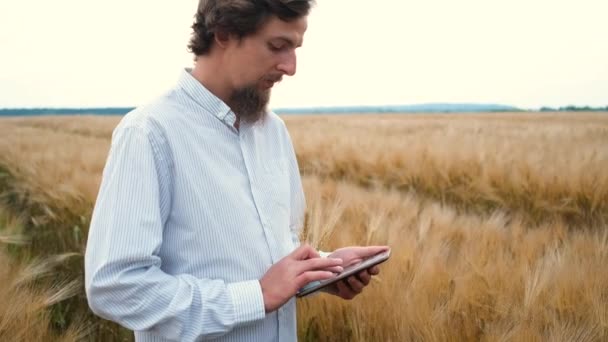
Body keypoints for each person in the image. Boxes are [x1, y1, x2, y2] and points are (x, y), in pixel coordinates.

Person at [84, 1, 389, 341]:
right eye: (278, 46)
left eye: (295, 48)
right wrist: (255, 297)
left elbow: (271, 255)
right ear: (224, 32)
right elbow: (114, 287)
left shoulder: (273, 132)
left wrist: (324, 269)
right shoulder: (149, 133)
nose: (291, 67)